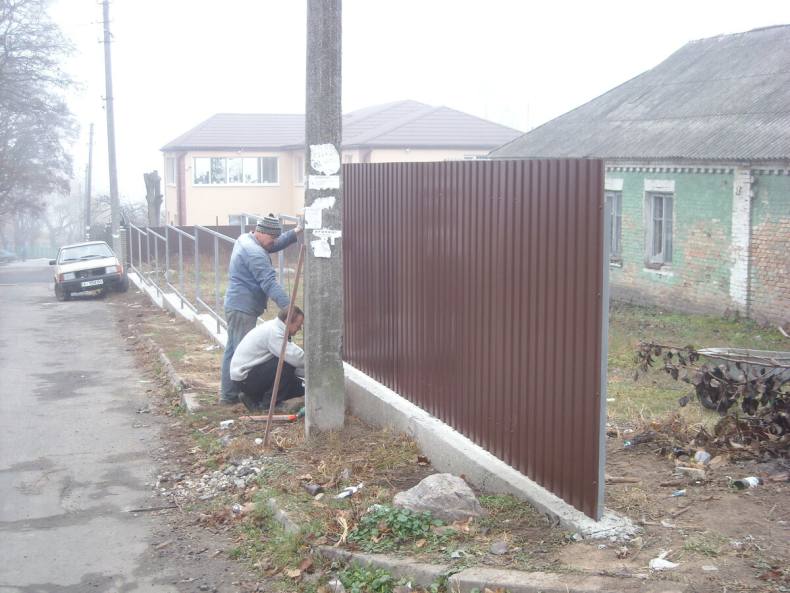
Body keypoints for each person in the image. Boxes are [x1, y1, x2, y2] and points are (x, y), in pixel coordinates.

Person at [219, 214, 301, 405]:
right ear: (261, 232)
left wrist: (295, 232)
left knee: (232, 350)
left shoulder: (246, 239)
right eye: (272, 237)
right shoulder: (254, 253)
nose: (274, 242)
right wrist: (290, 309)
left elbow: (272, 244)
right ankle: (243, 396)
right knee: (241, 354)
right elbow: (269, 283)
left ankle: (228, 395)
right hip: (243, 308)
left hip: (237, 304)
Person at [230, 306, 305, 412]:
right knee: (284, 363)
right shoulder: (274, 332)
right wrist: (318, 368)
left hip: (250, 377)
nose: (300, 328)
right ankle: (269, 405)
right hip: (246, 378)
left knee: (301, 387)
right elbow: (298, 359)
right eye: (298, 325)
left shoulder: (276, 328)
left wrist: (310, 377)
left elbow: (296, 363)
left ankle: (254, 399)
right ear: (287, 321)